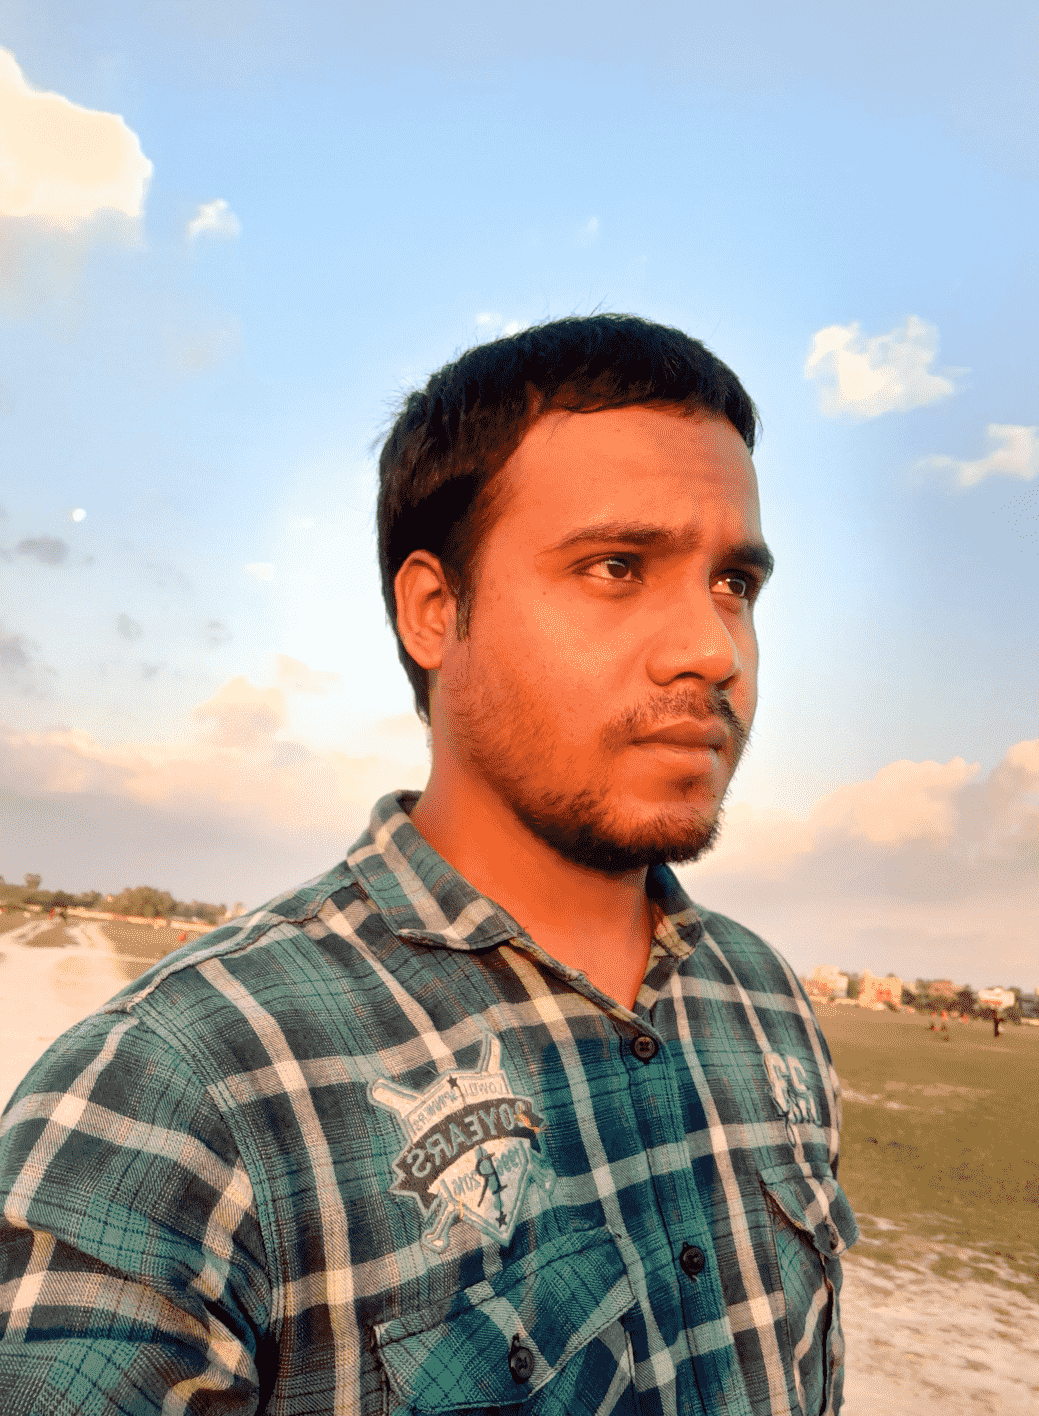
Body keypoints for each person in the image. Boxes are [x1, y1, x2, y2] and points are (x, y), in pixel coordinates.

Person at [0, 315, 858, 1415]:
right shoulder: (184, 1091)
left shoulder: (768, 1004)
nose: (713, 647)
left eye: (734, 583)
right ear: (435, 610)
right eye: (617, 566)